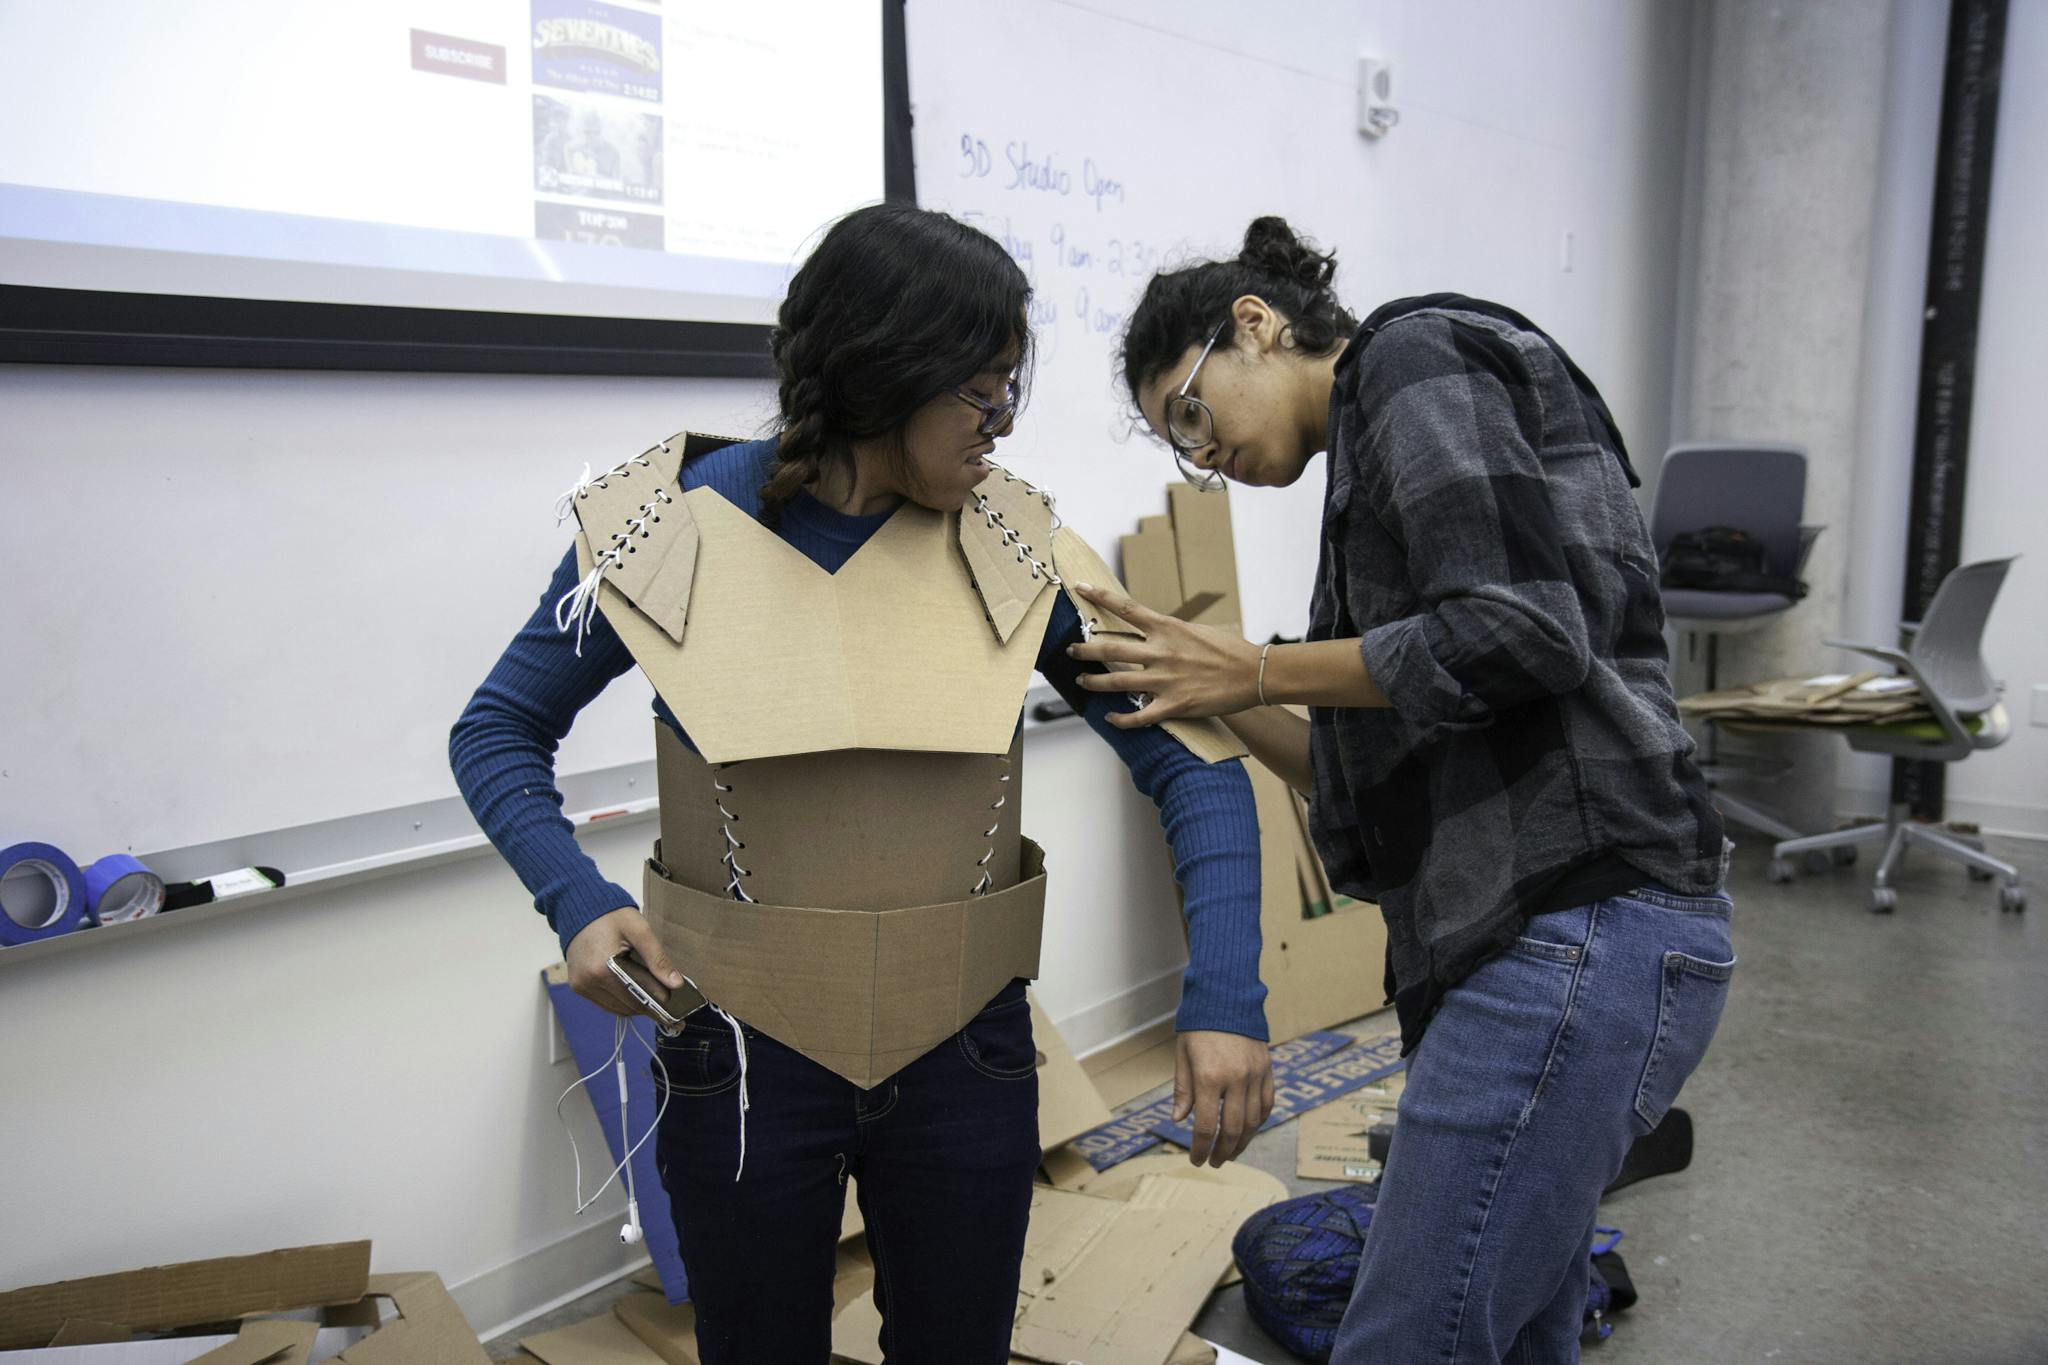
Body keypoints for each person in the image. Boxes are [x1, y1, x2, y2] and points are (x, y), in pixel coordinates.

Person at [449, 203, 1274, 1364]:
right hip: (734, 1052)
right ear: (890, 374)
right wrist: (575, 904)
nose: (1000, 426)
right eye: (983, 393)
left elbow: (1194, 767)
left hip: (965, 1052)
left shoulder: (1015, 544)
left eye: (1009, 395)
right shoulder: (665, 530)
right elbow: (493, 733)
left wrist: (1224, 995)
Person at [1069, 216, 1734, 1364]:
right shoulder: (1367, 472)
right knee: (1519, 1333)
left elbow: (1520, 634)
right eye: (1177, 445)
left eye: (1188, 411)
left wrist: (1255, 664)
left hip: (1571, 922)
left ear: (1254, 326)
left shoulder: (1412, 356)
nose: (1199, 453)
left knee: (1403, 1339)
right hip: (1544, 931)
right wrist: (1213, 687)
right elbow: (1353, 759)